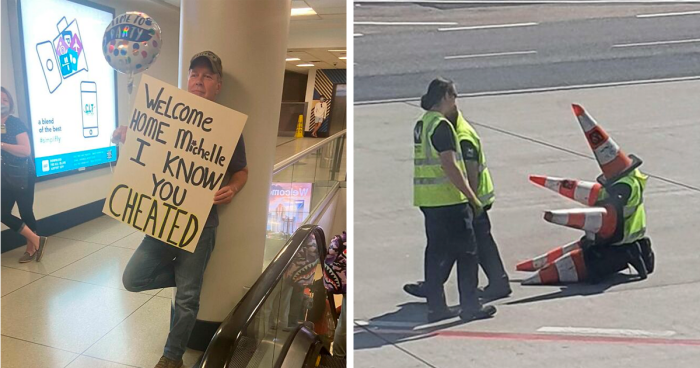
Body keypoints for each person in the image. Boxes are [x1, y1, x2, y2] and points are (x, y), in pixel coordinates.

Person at [116, 51, 248, 368]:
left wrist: (233, 188)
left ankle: (172, 358)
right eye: (193, 74)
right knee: (133, 278)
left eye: (206, 76)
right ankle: (187, 277)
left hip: (200, 226)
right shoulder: (166, 118)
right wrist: (129, 136)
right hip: (162, 220)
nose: (198, 81)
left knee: (187, 299)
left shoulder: (226, 128)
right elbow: (152, 153)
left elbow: (241, 171)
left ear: (217, 84)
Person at [412, 78, 496, 323]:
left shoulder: (422, 124)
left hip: (428, 200)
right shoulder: (441, 126)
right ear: (446, 97)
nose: (456, 102)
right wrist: (471, 196)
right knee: (467, 253)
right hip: (449, 200)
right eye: (454, 96)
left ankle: (436, 307)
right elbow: (449, 164)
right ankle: (470, 306)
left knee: (435, 253)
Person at [405, 109, 511, 300]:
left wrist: (470, 200)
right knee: (472, 242)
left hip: (471, 199)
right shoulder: (456, 129)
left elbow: (471, 172)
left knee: (464, 245)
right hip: (471, 198)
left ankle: (494, 283)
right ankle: (497, 281)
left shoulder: (461, 136)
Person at [1, 86, 49, 263]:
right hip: (3, 175)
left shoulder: (15, 123)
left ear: (10, 103)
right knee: (2, 212)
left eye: (4, 100)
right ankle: (37, 240)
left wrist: (2, 145)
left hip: (22, 174)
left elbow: (25, 150)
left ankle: (31, 247)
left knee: (25, 211)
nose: (1, 103)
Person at [583, 169, 653, 283]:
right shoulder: (634, 179)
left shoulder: (620, 188)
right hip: (636, 231)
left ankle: (600, 273)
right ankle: (639, 254)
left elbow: (610, 209)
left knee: (589, 249)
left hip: (619, 233)